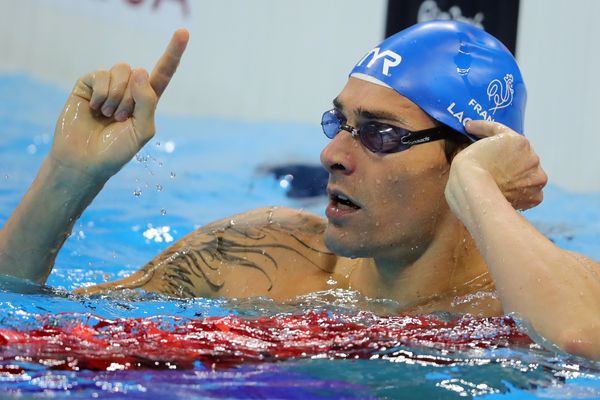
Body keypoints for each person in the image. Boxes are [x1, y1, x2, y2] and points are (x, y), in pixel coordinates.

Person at [0, 21, 598, 360]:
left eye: (380, 135)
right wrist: (69, 177)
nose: (333, 155)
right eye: (339, 122)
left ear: (472, 159)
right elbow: (28, 322)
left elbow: (581, 341)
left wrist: (476, 187)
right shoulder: (256, 257)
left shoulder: (531, 306)